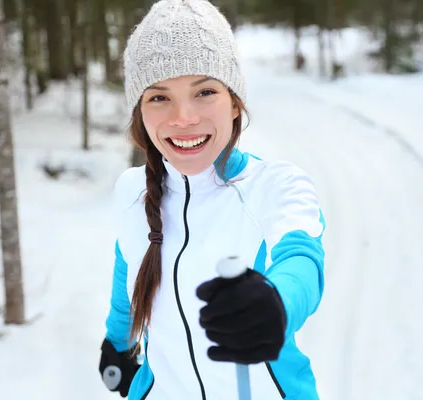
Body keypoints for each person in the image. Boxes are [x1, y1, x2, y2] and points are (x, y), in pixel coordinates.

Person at [98, 0, 326, 399]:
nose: (183, 117)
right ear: (139, 112)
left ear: (234, 102)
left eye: (204, 91)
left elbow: (302, 262)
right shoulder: (131, 190)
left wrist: (275, 304)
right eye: (159, 97)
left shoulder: (276, 187)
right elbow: (129, 265)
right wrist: (117, 341)